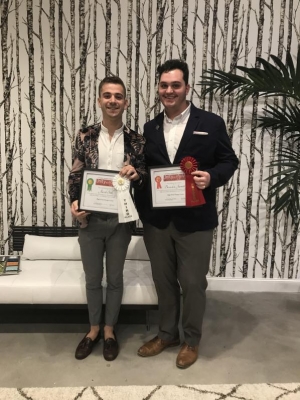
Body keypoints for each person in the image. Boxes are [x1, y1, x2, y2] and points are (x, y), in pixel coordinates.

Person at [134, 59, 238, 369]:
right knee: (164, 281)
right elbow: (146, 171)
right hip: (158, 221)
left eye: (175, 85)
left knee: (193, 283)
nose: (169, 90)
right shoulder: (149, 128)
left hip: (195, 221)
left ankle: (191, 340)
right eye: (164, 85)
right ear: (158, 89)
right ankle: (167, 334)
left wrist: (212, 177)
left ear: (186, 88)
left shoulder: (211, 123)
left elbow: (229, 161)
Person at [68, 76, 146, 361]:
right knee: (92, 279)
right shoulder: (85, 136)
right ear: (99, 100)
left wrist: (137, 175)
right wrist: (74, 206)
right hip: (90, 219)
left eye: (118, 96)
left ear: (126, 102)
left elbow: (145, 177)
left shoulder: (137, 140)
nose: (113, 100)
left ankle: (110, 330)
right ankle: (92, 331)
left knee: (114, 279)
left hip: (121, 221)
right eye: (107, 95)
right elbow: (75, 174)